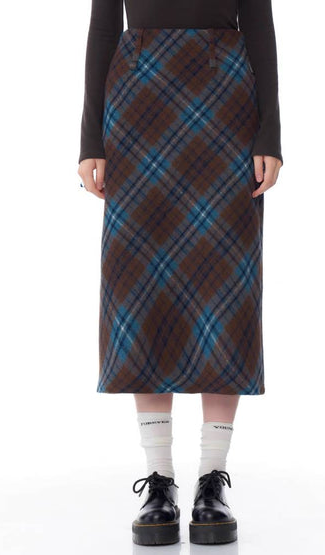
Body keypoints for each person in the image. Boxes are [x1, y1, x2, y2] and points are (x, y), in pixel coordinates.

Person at [77, 0, 283, 546]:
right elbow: (103, 27)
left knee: (226, 287)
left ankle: (213, 479)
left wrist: (270, 133)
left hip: (226, 103)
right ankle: (159, 481)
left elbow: (258, 23)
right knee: (141, 288)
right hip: (137, 102)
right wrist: (91, 139)